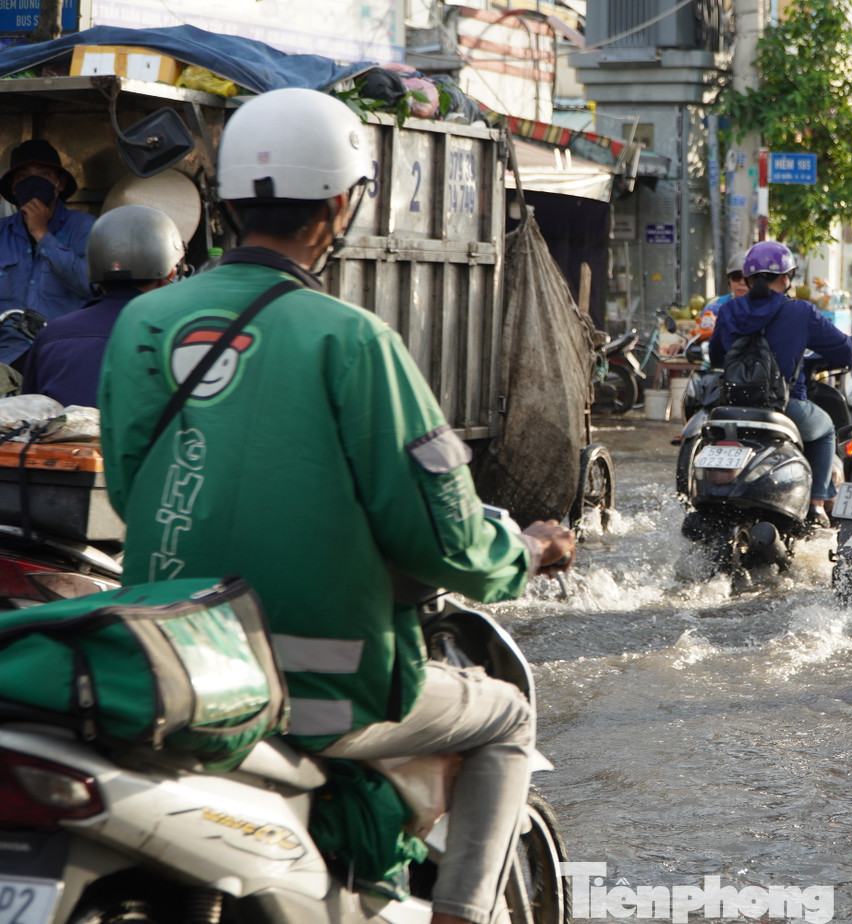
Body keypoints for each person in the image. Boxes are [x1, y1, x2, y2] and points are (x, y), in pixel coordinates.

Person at [97, 88, 575, 924]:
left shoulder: (144, 322)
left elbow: (137, 493)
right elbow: (443, 536)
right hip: (316, 696)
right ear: (340, 208)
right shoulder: (355, 341)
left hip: (173, 671)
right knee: (505, 718)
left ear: (226, 201)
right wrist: (528, 551)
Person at [707, 240, 852, 528]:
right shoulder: (800, 311)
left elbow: (716, 356)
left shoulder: (729, 310)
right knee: (825, 429)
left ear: (748, 279)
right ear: (787, 277)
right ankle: (816, 505)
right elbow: (846, 352)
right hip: (783, 407)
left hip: (732, 405)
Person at [22, 205, 182, 408]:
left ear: (95, 277)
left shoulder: (50, 336)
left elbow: (29, 412)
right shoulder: (179, 334)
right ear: (170, 274)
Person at [0, 139, 96, 369]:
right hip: (8, 358)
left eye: (44, 174)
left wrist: (42, 234)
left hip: (65, 355)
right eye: (23, 176)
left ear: (60, 184)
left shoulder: (85, 228)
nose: (33, 182)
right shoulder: (2, 233)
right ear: (13, 187)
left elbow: (91, 285)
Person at [693, 251, 748, 341]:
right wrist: (683, 343)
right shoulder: (715, 304)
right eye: (736, 277)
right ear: (729, 280)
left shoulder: (763, 307)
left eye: (747, 278)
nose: (742, 282)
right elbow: (697, 332)